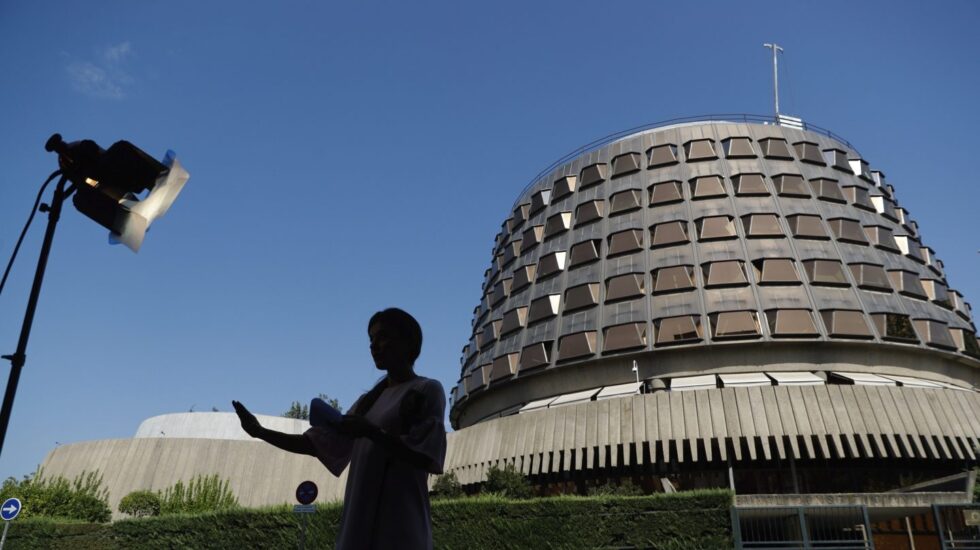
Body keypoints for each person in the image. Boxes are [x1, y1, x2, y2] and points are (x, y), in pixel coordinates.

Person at [232, 308, 447, 550]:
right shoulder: (367, 403)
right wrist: (260, 432)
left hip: (402, 529)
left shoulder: (427, 389)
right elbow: (315, 444)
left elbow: (427, 455)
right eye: (371, 339)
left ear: (408, 342)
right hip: (358, 529)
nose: (374, 345)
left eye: (383, 336)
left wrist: (371, 432)